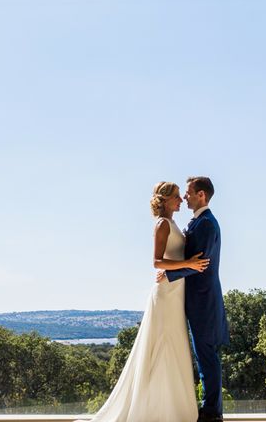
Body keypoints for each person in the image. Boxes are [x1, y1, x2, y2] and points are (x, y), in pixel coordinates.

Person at [77, 181, 208, 422]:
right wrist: (188, 264)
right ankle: (155, 411)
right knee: (161, 346)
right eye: (177, 197)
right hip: (166, 293)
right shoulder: (162, 224)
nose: (181, 200)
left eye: (181, 196)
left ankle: (171, 409)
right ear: (165, 199)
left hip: (176, 292)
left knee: (174, 347)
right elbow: (156, 262)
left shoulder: (173, 222)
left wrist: (185, 264)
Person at [158, 176, 229, 422]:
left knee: (207, 356)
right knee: (203, 355)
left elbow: (202, 264)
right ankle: (208, 407)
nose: (185, 197)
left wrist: (170, 274)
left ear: (201, 195)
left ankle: (212, 412)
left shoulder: (207, 224)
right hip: (193, 299)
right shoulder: (198, 222)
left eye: (188, 192)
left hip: (204, 300)